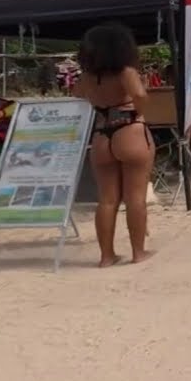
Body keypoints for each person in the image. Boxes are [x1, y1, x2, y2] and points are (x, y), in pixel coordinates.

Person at [73, 22, 154, 267]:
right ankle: (138, 252)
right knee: (135, 197)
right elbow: (139, 94)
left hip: (102, 133)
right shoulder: (125, 72)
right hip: (129, 128)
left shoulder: (87, 76)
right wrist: (140, 113)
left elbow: (76, 95)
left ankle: (106, 256)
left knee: (107, 199)